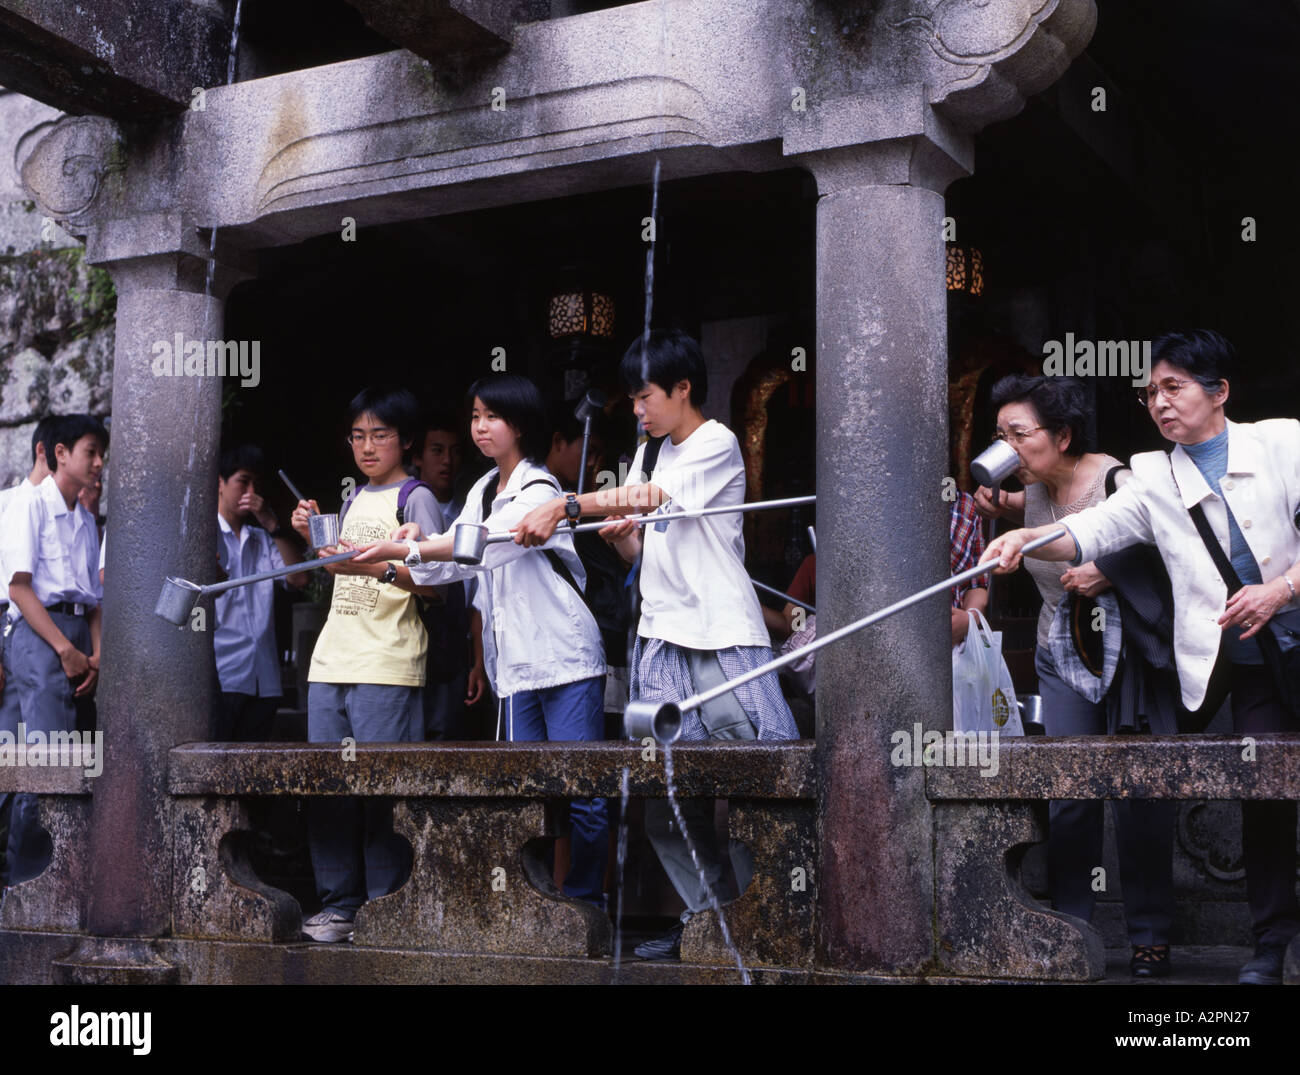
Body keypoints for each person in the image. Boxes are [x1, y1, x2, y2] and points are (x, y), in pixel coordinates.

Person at [981, 330, 1300, 985]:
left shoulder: (1283, 443)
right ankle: (1272, 945)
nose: (1158, 402)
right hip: (1255, 660)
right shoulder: (1154, 474)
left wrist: (1281, 589)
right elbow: (1098, 528)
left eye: (1173, 387)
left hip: (1294, 619)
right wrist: (1026, 535)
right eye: (1150, 390)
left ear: (1220, 392)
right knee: (1266, 791)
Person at [514, 329, 800, 961]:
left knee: (759, 773)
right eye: (633, 399)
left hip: (721, 637)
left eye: (645, 397)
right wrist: (620, 542)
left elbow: (649, 499)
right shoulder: (648, 456)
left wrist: (566, 506)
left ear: (682, 389)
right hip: (660, 643)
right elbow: (647, 553)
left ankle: (774, 916)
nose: (637, 410)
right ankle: (708, 922)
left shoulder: (716, 442)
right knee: (667, 791)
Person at [353, 373, 610, 907]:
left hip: (565, 658)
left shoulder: (538, 490)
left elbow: (477, 551)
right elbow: (450, 564)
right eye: (475, 417)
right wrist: (412, 546)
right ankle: (538, 903)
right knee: (529, 790)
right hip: (514, 667)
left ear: (520, 424)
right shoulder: (481, 489)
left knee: (580, 789)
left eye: (491, 417)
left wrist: (405, 550)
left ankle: (585, 903)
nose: (480, 428)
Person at [974, 374, 1176, 978]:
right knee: (1068, 793)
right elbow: (1034, 516)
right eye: (999, 435)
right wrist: (1001, 505)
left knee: (1140, 792)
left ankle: (1150, 935)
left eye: (1019, 434)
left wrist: (1108, 572)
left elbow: (1174, 548)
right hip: (1060, 654)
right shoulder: (1034, 488)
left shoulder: (1118, 479)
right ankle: (1069, 931)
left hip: (1128, 660)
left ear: (1062, 435)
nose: (1007, 448)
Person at [288, 386, 444, 943]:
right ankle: (338, 906)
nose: (368, 446)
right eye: (358, 435)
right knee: (328, 789)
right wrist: (316, 540)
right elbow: (338, 571)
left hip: (388, 661)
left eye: (380, 435)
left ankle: (385, 906)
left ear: (405, 440)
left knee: (383, 790)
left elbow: (433, 584)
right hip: (332, 660)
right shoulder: (352, 499)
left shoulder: (417, 498)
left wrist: (367, 568)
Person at [0, 414, 106, 886]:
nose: (100, 463)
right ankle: (29, 886)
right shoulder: (30, 505)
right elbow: (19, 589)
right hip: (42, 637)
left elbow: (94, 601)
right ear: (59, 453)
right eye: (91, 452)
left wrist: (97, 655)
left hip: (78, 637)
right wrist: (65, 649)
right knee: (46, 766)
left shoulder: (84, 518)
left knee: (77, 760)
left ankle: (62, 878)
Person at [214, 444, 308, 742]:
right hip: (223, 673)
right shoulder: (206, 534)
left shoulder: (262, 539)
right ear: (220, 483)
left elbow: (299, 578)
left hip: (264, 676)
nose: (251, 492)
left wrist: (271, 523)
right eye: (243, 481)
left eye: (257, 484)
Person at [411, 413, 482, 740]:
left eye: (454, 451)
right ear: (416, 457)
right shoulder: (407, 509)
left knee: (451, 735)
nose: (447, 461)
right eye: (437, 451)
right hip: (417, 639)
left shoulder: (472, 511)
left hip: (463, 642)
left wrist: (478, 659)